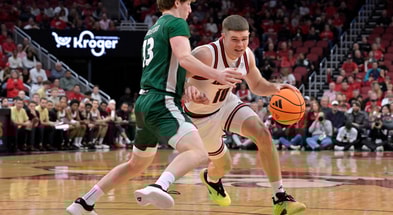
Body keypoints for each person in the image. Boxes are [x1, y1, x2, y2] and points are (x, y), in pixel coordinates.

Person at [66, 1, 243, 214]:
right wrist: (218, 74)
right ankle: (159, 186)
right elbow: (185, 58)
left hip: (144, 102)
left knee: (136, 165)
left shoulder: (154, 28)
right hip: (161, 101)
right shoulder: (177, 22)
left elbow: (166, 68)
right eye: (188, 3)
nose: (190, 9)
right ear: (177, 2)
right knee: (197, 151)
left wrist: (186, 87)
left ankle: (84, 203)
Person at [184, 15, 305, 215]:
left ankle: (280, 197)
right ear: (223, 37)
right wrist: (188, 90)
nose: (240, 44)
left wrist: (276, 88)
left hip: (226, 103)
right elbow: (173, 80)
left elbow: (257, 85)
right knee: (224, 165)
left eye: (245, 39)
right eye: (235, 39)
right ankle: (211, 179)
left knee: (262, 133)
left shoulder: (246, 55)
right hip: (201, 117)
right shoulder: (205, 54)